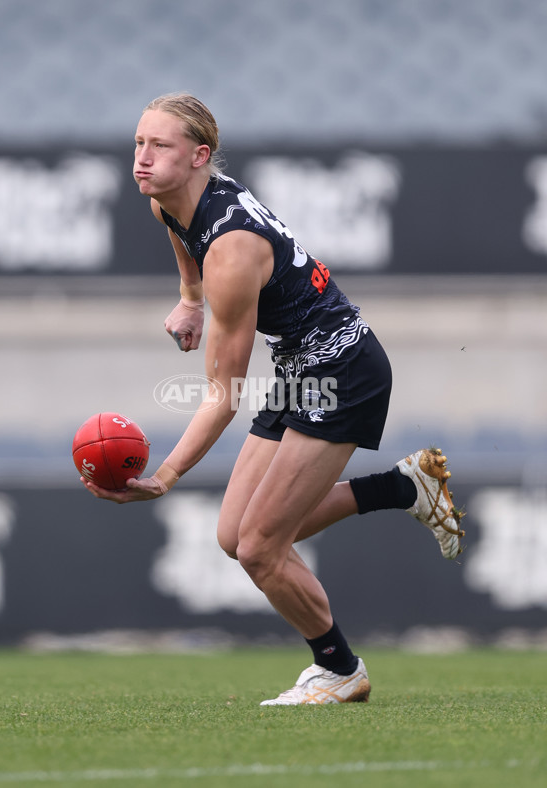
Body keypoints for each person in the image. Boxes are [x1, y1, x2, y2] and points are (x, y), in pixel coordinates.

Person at [81, 93, 464, 705]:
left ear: (200, 156)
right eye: (138, 143)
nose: (142, 159)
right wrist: (188, 298)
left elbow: (223, 396)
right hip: (299, 364)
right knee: (236, 537)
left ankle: (340, 670)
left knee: (261, 547)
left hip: (343, 369)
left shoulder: (232, 250)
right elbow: (182, 238)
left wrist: (166, 477)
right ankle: (399, 488)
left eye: (160, 146)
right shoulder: (168, 201)